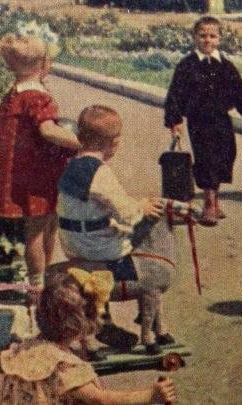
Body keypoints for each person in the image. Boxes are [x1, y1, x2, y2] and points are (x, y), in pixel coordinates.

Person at [57, 105, 184, 354]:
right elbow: (126, 212)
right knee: (140, 241)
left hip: (71, 241)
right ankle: (147, 319)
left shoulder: (73, 165)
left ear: (80, 137)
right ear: (113, 143)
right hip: (95, 246)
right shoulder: (100, 172)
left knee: (121, 229)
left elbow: (91, 207)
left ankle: (111, 319)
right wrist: (144, 207)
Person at [0, 22, 81, 288]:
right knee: (38, 232)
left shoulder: (14, 94)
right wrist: (81, 143)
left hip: (23, 175)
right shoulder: (37, 97)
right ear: (43, 64)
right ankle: (38, 286)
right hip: (38, 177)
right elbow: (48, 130)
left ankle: (43, 279)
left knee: (44, 227)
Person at [0, 269, 177, 404]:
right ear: (81, 326)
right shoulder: (64, 365)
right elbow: (100, 399)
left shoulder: (25, 350)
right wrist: (149, 396)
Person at [164, 16, 242, 226]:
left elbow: (240, 91)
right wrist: (175, 120)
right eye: (202, 35)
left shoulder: (225, 66)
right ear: (194, 37)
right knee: (206, 158)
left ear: (219, 38)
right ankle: (208, 203)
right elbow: (175, 94)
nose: (207, 40)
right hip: (199, 121)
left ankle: (215, 199)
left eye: (212, 36)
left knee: (225, 156)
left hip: (221, 119)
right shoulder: (187, 65)